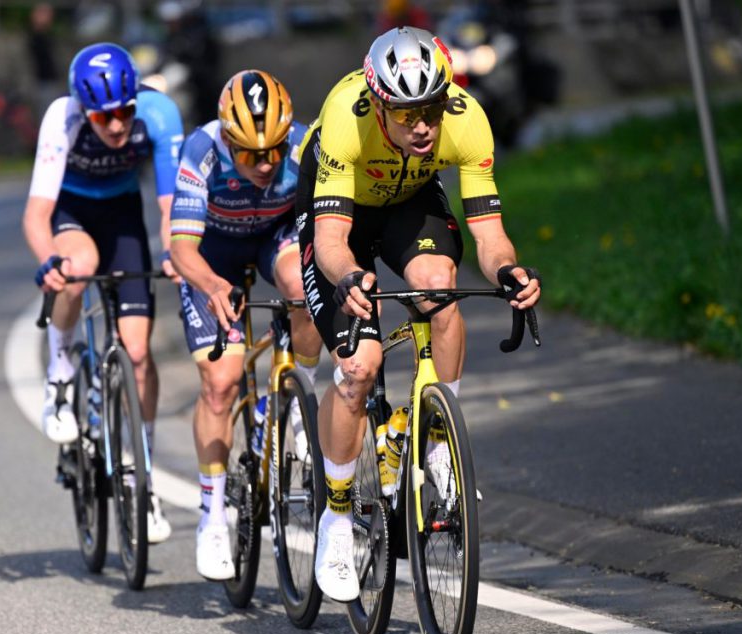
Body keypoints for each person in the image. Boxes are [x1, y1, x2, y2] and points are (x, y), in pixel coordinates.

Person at [296, 27, 541, 601]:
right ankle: (336, 517)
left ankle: (437, 438)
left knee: (439, 288)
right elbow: (331, 242)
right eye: (407, 115)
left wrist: (509, 271)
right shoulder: (346, 117)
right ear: (380, 104)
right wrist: (349, 276)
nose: (424, 126)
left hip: (410, 199)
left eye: (431, 109)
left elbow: (489, 234)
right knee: (359, 367)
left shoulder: (466, 119)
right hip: (340, 212)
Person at [23, 42, 184, 544]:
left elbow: (170, 207)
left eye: (124, 112)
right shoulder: (62, 117)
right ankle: (60, 372)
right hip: (70, 210)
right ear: (84, 109)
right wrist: (48, 262)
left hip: (122, 215)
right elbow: (36, 214)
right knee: (78, 269)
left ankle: (144, 478)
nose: (116, 125)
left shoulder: (158, 113)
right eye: (103, 116)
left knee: (137, 354)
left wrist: (175, 252)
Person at [169, 70, 323, 580]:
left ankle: (295, 400)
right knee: (220, 383)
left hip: (275, 236)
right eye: (250, 155)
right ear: (228, 141)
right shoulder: (202, 149)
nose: (265, 164)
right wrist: (213, 286)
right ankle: (212, 516)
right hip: (214, 253)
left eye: (274, 151)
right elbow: (181, 249)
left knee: (305, 290)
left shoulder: (304, 145)